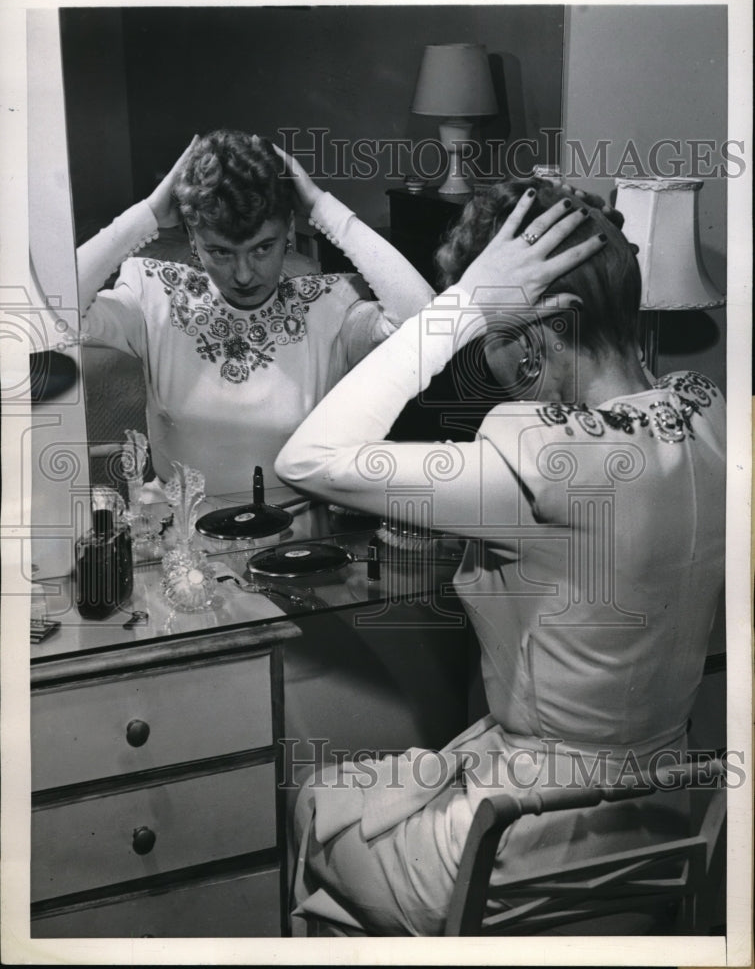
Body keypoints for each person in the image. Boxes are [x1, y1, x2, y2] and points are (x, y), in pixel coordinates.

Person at [274, 178, 726, 935]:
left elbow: (307, 459)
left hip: (532, 848)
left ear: (542, 326)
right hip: (662, 832)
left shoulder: (546, 460)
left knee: (319, 800)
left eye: (491, 331)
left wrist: (463, 303)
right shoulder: (714, 421)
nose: (487, 359)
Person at [76, 130, 434, 494]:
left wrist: (321, 206)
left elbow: (426, 323)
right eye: (221, 252)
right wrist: (149, 213)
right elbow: (50, 313)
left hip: (297, 527)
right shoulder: (157, 297)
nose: (244, 275)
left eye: (263, 248)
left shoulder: (328, 307)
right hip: (180, 525)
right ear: (193, 239)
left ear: (288, 231)